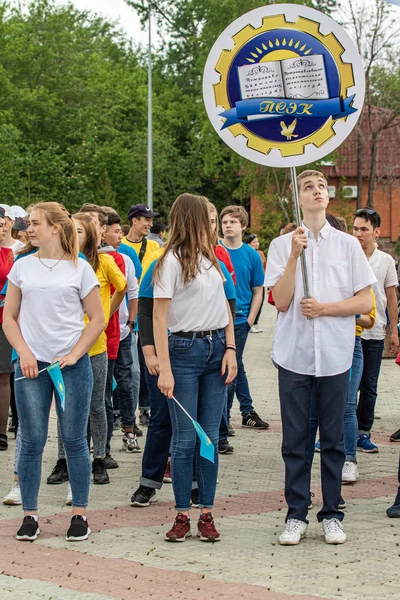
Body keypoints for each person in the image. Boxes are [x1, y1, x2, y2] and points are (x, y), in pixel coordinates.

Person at [265, 170, 375, 546]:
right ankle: (296, 514)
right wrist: (294, 257)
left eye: (321, 187)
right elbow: (280, 301)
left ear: (328, 198)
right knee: (295, 441)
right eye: (308, 187)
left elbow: (365, 301)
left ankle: (332, 512)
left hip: (334, 354)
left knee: (332, 439)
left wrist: (325, 308)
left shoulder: (347, 245)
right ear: (297, 197)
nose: (317, 192)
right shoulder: (281, 245)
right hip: (294, 355)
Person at [3, 202, 105, 541]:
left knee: (75, 439)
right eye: (28, 224)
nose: (28, 229)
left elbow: (98, 319)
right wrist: (24, 352)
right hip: (30, 367)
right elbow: (9, 318)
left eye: (35, 223)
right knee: (31, 440)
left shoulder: (80, 269)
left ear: (55, 228)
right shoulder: (22, 266)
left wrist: (76, 354)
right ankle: (30, 514)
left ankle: (80, 514)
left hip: (71, 368)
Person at [153, 193, 237, 542]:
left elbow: (225, 308)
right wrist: (165, 368)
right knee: (186, 439)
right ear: (193, 220)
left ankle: (207, 513)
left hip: (216, 348)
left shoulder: (212, 259)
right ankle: (182, 514)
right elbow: (158, 317)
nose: (213, 224)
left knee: (210, 440)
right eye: (208, 217)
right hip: (183, 350)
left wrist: (231, 348)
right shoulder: (169, 261)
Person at [219, 205, 269, 431]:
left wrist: (251, 319)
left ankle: (228, 418)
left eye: (233, 222)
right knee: (233, 366)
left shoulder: (252, 255)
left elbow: (258, 289)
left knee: (232, 366)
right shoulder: (214, 249)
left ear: (243, 226)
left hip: (239, 321)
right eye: (225, 222)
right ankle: (243, 412)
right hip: (217, 319)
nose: (228, 225)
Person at [353, 208, 399, 452]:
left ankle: (363, 432)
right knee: (346, 386)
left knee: (369, 386)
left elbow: (391, 297)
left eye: (364, 229)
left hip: (374, 332)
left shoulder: (385, 261)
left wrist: (394, 331)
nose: (359, 234)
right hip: (350, 332)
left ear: (376, 232)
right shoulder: (348, 256)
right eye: (356, 229)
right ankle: (340, 432)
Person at [122, 203, 161, 426]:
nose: (150, 224)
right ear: (134, 220)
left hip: (148, 312)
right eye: (146, 219)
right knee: (130, 369)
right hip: (127, 313)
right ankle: (124, 411)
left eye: (151, 219)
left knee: (147, 365)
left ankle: (145, 408)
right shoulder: (121, 245)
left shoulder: (155, 247)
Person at [0, 212, 14, 451]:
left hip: (4, 320)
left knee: (3, 375)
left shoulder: (12, 255)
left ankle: (1, 431)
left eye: (2, 225)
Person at [246, 234, 266, 334]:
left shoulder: (260, 254)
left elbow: (265, 266)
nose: (256, 244)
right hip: (251, 282)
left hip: (261, 281)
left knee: (260, 302)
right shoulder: (248, 254)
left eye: (257, 242)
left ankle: (256, 322)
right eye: (254, 242)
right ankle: (251, 322)